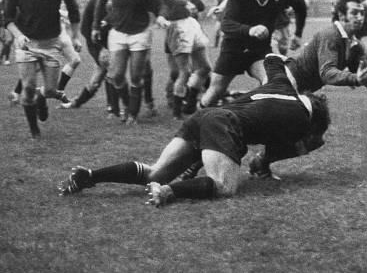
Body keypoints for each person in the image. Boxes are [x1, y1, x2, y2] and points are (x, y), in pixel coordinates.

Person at [58, 55, 331, 206]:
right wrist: (309, 143)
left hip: (204, 116)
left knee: (154, 171)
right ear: (314, 119)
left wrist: (286, 60)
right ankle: (169, 192)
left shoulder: (283, 85)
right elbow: (270, 153)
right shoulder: (299, 121)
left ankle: (91, 176)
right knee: (224, 187)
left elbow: (272, 59)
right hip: (225, 125)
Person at [248, 0, 367, 178]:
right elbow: (327, 73)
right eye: (354, 13)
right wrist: (356, 79)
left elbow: (365, 76)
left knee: (314, 137)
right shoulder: (331, 35)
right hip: (284, 84)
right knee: (254, 129)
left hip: (299, 93)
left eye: (362, 13)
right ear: (342, 15)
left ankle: (262, 161)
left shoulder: (354, 45)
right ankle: (210, 147)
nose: (360, 17)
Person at [197, 0, 307, 109]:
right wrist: (250, 30)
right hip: (233, 48)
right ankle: (197, 122)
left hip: (259, 50)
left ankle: (255, 118)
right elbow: (226, 24)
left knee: (271, 83)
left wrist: (298, 34)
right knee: (215, 91)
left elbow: (300, 5)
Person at [4, 0, 81, 139]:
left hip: (51, 43)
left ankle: (42, 98)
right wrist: (18, 35)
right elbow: (7, 18)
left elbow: (73, 11)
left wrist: (76, 36)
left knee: (50, 89)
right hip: (27, 44)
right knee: (28, 86)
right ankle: (34, 130)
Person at [92, 0, 167, 125]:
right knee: (117, 75)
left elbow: (160, 5)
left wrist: (161, 16)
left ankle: (132, 115)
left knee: (136, 76)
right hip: (118, 34)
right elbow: (99, 6)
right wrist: (96, 27)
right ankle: (127, 106)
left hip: (140, 34)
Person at [158, 0, 211, 119]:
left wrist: (197, 2)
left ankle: (189, 104)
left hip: (189, 22)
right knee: (184, 71)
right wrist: (185, 2)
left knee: (204, 67)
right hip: (178, 24)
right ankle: (177, 112)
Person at [61, 0, 115, 111]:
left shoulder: (115, 2)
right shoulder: (94, 2)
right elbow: (85, 29)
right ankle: (112, 107)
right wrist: (99, 50)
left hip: (112, 46)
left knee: (97, 79)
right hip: (98, 47)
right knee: (110, 70)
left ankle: (76, 103)